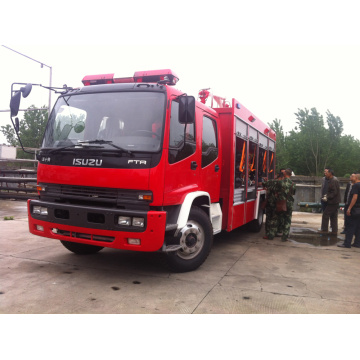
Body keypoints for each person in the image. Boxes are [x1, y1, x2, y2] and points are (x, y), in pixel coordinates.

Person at [338, 173, 360, 248]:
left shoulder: (356, 186)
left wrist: (349, 208)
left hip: (354, 209)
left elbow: (354, 197)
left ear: (356, 178)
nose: (351, 177)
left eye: (353, 176)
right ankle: (357, 243)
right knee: (358, 227)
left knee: (350, 226)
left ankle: (347, 243)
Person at [318, 169, 341, 235]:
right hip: (330, 201)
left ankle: (324, 229)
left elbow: (334, 192)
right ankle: (334, 230)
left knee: (326, 214)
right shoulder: (327, 180)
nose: (325, 173)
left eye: (326, 172)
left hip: (333, 201)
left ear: (330, 173)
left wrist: (327, 197)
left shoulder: (334, 180)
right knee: (333, 216)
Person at [262, 172, 284, 240]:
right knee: (274, 219)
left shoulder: (270, 181)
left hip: (269, 203)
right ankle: (272, 234)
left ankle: (267, 233)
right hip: (276, 203)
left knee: (268, 218)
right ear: (282, 177)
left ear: (277, 176)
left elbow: (263, 184)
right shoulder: (281, 184)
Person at [277, 168, 296, 242]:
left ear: (284, 174)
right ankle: (285, 237)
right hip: (289, 203)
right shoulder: (293, 184)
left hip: (281, 203)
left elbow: (277, 191)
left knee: (281, 218)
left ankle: (279, 231)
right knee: (288, 220)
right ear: (290, 175)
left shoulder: (280, 182)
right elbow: (293, 193)